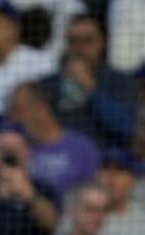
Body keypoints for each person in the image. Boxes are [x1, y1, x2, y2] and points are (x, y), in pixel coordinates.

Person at [40, 14, 137, 149]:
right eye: (73, 41)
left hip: (105, 159)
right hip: (59, 158)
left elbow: (128, 127)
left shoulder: (119, 81)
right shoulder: (49, 83)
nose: (78, 48)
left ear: (102, 42)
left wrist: (91, 89)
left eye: (87, 41)